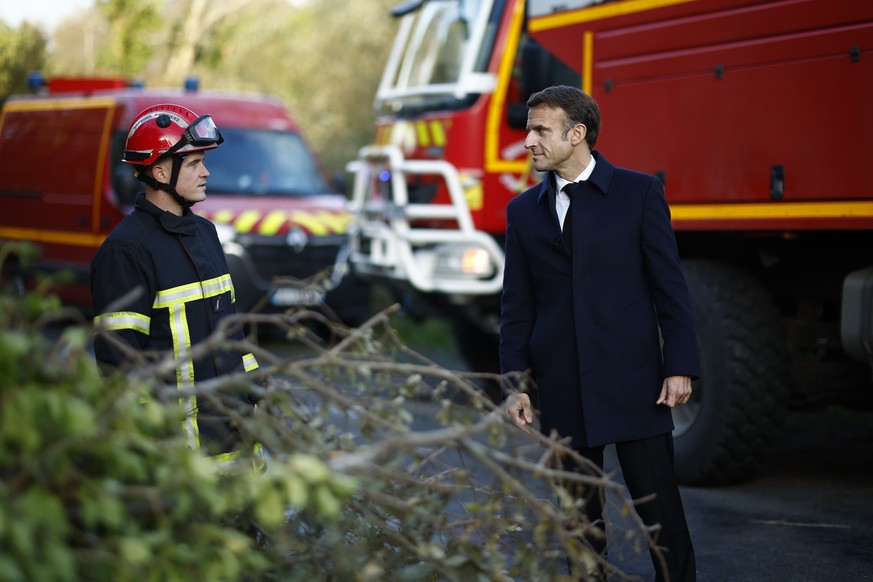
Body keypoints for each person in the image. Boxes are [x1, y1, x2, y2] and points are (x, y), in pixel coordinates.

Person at [499, 85, 699, 581]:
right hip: (562, 386)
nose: (529, 141)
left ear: (577, 133)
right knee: (578, 522)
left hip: (636, 384)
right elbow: (516, 307)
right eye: (529, 130)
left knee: (661, 519)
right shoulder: (523, 211)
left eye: (541, 130)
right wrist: (515, 382)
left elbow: (670, 289)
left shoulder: (640, 192)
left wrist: (679, 365)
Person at [91, 103, 260, 459]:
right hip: (178, 466)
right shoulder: (125, 251)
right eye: (196, 163)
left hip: (239, 450)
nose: (206, 173)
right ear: (161, 172)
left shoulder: (206, 233)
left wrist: (255, 393)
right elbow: (120, 365)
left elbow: (232, 331)